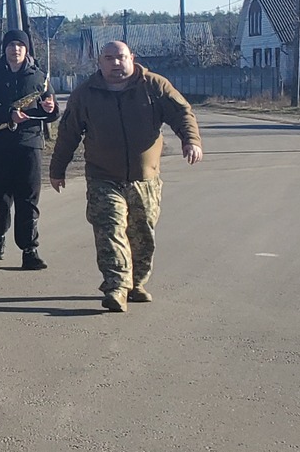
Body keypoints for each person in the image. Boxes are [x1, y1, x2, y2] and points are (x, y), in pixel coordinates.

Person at [49, 39, 203, 311]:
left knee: (142, 233)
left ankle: (136, 283)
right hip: (102, 176)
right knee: (109, 229)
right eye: (108, 58)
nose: (115, 63)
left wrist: (191, 141)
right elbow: (68, 133)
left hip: (145, 179)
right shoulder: (86, 94)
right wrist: (57, 169)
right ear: (100, 62)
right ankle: (116, 286)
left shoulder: (154, 86)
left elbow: (182, 113)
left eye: (120, 57)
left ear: (132, 57)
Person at [0, 30, 59, 269]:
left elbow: (49, 112)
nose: (15, 49)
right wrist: (8, 113)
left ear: (26, 49)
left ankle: (29, 249)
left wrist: (50, 108)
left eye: (20, 45)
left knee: (28, 197)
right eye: (11, 45)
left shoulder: (39, 76)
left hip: (28, 143)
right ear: (5, 49)